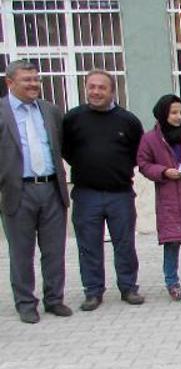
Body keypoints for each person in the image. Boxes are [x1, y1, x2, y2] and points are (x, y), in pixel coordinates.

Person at [62, 69, 144, 311]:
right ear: (86, 88)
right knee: (89, 245)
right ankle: (93, 292)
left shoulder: (127, 120)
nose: (96, 92)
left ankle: (128, 287)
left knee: (125, 244)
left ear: (112, 91)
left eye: (102, 87)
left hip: (120, 193)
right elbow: (66, 150)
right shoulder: (73, 119)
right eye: (91, 87)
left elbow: (137, 153)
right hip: (86, 194)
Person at [0, 60, 71, 323]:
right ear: (10, 83)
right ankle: (26, 303)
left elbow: (62, 146)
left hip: (51, 188)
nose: (33, 85)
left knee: (54, 249)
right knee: (21, 251)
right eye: (26, 80)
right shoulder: (2, 111)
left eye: (36, 80)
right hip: (18, 191)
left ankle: (54, 299)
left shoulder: (50, 111)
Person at [137, 95, 181, 301]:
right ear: (163, 114)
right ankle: (172, 283)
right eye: (173, 113)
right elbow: (143, 163)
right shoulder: (151, 139)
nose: (178, 117)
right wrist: (163, 172)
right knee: (172, 243)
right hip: (169, 200)